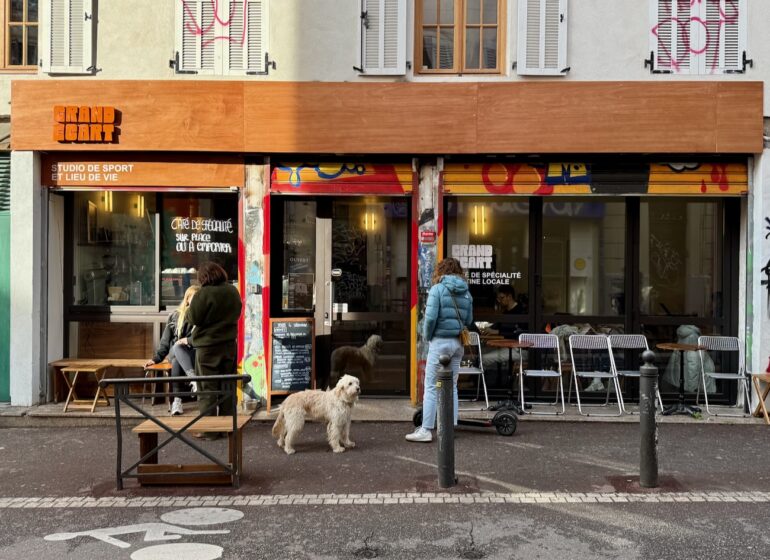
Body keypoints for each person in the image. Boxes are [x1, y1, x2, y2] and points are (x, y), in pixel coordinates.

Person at [406, 257, 473, 443]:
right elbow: (468, 320)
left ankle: (426, 430)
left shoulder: (437, 289)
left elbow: (429, 319)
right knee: (451, 386)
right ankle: (449, 427)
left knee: (431, 386)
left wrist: (428, 336)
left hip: (440, 342)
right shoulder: (466, 292)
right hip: (458, 344)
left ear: (440, 270)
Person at [186, 262, 243, 430]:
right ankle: (227, 428)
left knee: (207, 390)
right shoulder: (232, 291)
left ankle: (209, 430)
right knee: (227, 387)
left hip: (207, 348)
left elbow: (193, 317)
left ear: (204, 277)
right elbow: (238, 312)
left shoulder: (203, 294)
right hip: (229, 346)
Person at [145, 285, 200, 416]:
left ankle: (177, 401)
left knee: (176, 360)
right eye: (195, 298)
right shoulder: (175, 316)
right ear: (187, 299)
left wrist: (188, 341)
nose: (198, 301)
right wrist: (156, 359)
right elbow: (165, 341)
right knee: (176, 347)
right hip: (175, 352)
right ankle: (194, 379)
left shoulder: (201, 317)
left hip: (193, 354)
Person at [480, 285, 528, 375]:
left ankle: (480, 385)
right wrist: (488, 328)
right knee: (480, 353)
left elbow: (520, 333)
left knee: (483, 358)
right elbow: (496, 326)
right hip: (508, 347)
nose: (499, 301)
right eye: (498, 299)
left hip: (519, 349)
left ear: (509, 297)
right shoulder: (506, 312)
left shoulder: (521, 312)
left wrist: (496, 332)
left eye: (501, 298)